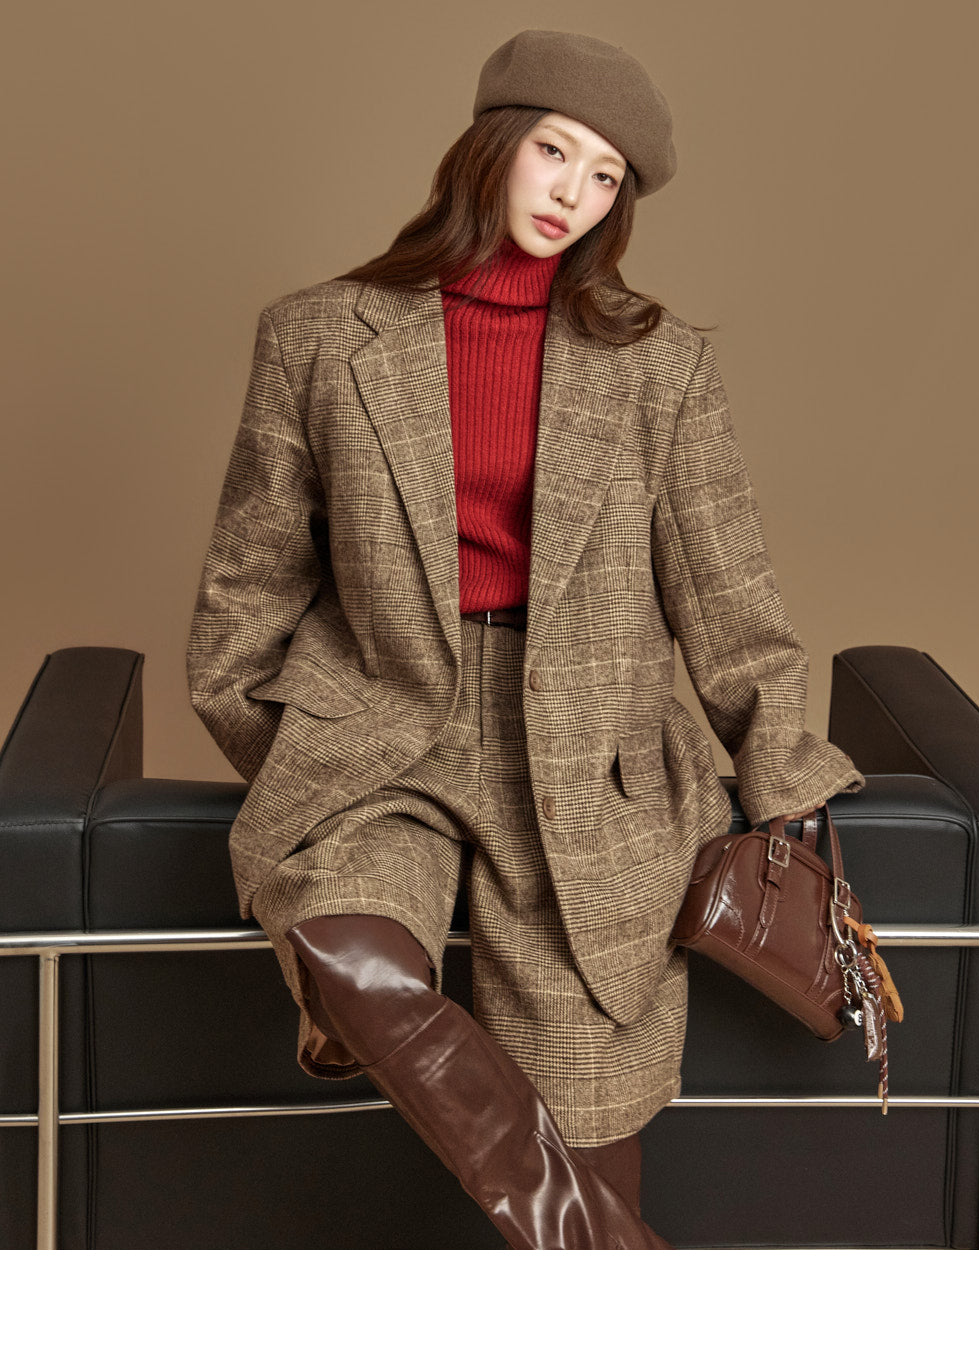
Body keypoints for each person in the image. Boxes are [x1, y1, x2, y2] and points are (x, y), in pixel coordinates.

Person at [186, 29, 864, 1249]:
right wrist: (297, 751)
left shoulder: (659, 365)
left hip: (591, 754)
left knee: (588, 1103)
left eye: (605, 177)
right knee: (347, 949)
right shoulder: (318, 336)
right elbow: (247, 591)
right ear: (490, 146)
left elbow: (727, 595)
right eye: (554, 152)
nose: (572, 194)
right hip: (382, 726)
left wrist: (781, 776)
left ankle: (607, 1272)